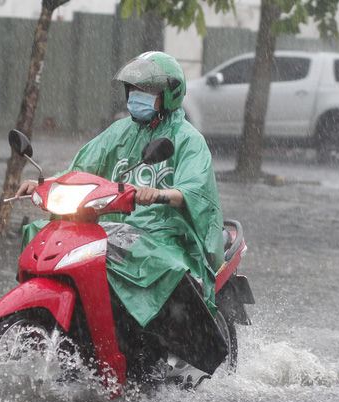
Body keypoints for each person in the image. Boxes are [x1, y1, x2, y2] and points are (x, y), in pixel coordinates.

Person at [14, 51, 227, 376]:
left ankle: (153, 351)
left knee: (158, 269)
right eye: (134, 90)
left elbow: (194, 189)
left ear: (170, 94)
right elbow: (80, 170)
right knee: (49, 237)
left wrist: (161, 194)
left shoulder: (188, 140)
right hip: (118, 228)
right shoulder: (119, 133)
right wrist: (45, 184)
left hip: (167, 234)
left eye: (147, 91)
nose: (137, 98)